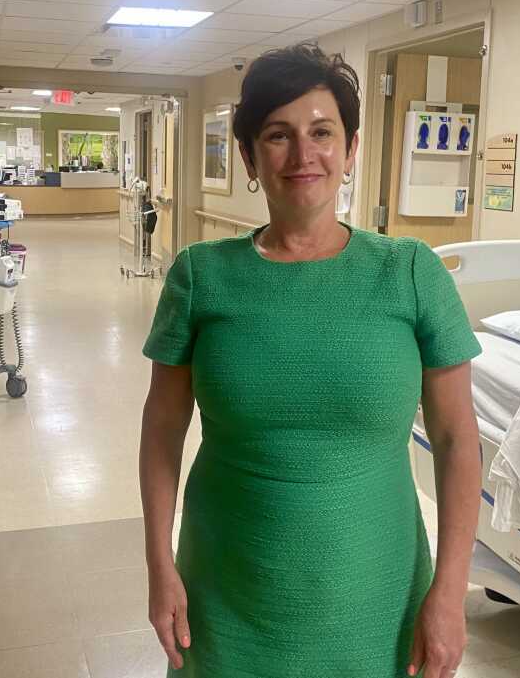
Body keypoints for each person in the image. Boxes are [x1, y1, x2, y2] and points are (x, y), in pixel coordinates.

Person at [140, 43, 483, 678]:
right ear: (248, 155)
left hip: (376, 592)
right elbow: (162, 431)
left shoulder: (410, 274)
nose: (304, 155)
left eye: (322, 132)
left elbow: (459, 438)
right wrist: (159, 563)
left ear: (350, 149)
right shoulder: (200, 277)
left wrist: (451, 591)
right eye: (278, 135)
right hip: (227, 588)